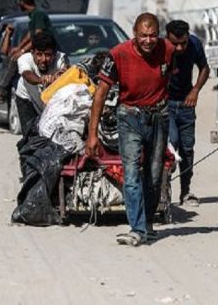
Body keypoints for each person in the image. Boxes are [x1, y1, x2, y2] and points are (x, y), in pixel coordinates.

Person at [86, 13, 175, 246]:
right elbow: (100, 94)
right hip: (129, 117)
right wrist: (92, 135)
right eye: (143, 35)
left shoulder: (167, 49)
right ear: (134, 33)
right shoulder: (118, 55)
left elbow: (175, 75)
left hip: (159, 117)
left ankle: (147, 224)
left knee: (154, 175)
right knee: (132, 173)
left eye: (153, 35)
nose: (148, 40)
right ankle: (137, 228)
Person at [165, 20, 210, 206]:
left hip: (186, 104)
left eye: (183, 43)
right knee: (171, 144)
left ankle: (185, 192)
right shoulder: (159, 47)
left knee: (187, 149)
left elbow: (204, 68)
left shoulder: (194, 44)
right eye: (175, 43)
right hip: (165, 104)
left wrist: (195, 90)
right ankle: (163, 190)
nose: (179, 48)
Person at [15, 34, 69, 174]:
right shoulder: (24, 59)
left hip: (50, 103)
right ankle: (29, 173)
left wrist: (60, 76)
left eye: (48, 55)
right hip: (27, 100)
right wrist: (42, 80)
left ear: (54, 54)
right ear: (32, 53)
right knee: (30, 136)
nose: (43, 59)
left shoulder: (61, 59)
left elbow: (66, 74)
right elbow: (27, 75)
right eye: (39, 54)